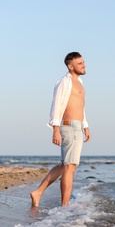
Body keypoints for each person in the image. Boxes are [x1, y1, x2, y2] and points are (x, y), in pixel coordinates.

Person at [30, 52, 91, 207]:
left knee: (64, 165)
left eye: (83, 62)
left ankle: (37, 193)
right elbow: (56, 105)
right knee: (70, 166)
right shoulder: (65, 82)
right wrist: (55, 129)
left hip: (76, 126)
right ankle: (65, 206)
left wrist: (85, 126)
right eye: (79, 63)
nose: (84, 65)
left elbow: (80, 107)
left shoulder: (80, 82)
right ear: (70, 66)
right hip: (68, 126)